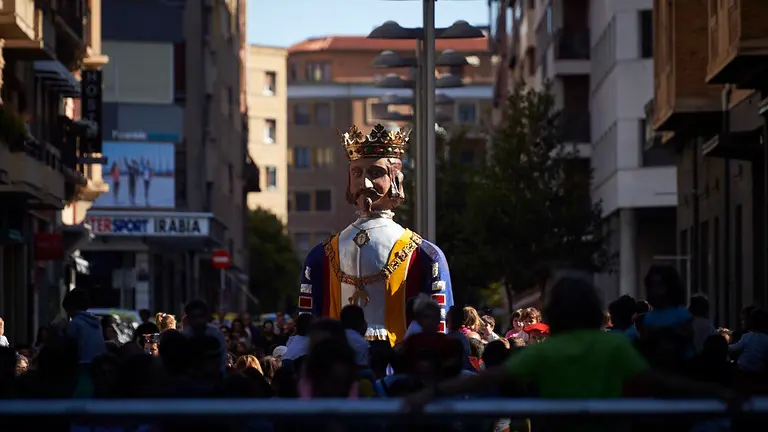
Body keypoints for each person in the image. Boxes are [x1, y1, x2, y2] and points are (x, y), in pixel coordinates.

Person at [404, 276, 734, 427]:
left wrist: (430, 393)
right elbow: (661, 382)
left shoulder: (545, 352)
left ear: (555, 313)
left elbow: (482, 380)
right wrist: (719, 394)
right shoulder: (614, 345)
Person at [297, 124, 454, 345]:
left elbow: (440, 327)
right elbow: (306, 323)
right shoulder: (320, 256)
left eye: (376, 173)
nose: (365, 183)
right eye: (357, 173)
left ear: (397, 179)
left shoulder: (425, 255)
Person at [182, 299, 227, 374]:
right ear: (188, 318)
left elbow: (222, 361)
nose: (198, 320)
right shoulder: (184, 336)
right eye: (194, 317)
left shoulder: (216, 334)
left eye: (201, 316)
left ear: (207, 317)